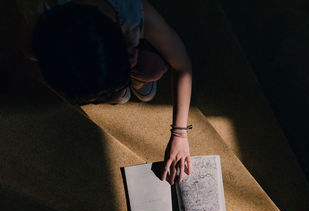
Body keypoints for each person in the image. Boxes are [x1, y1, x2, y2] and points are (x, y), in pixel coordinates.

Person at [16, 0, 192, 185]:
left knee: (152, 68)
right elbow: (31, 52)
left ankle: (136, 81)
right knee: (116, 88)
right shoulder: (37, 19)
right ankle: (123, 86)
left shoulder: (135, 13)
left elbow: (183, 65)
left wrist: (180, 134)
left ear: (130, 52)